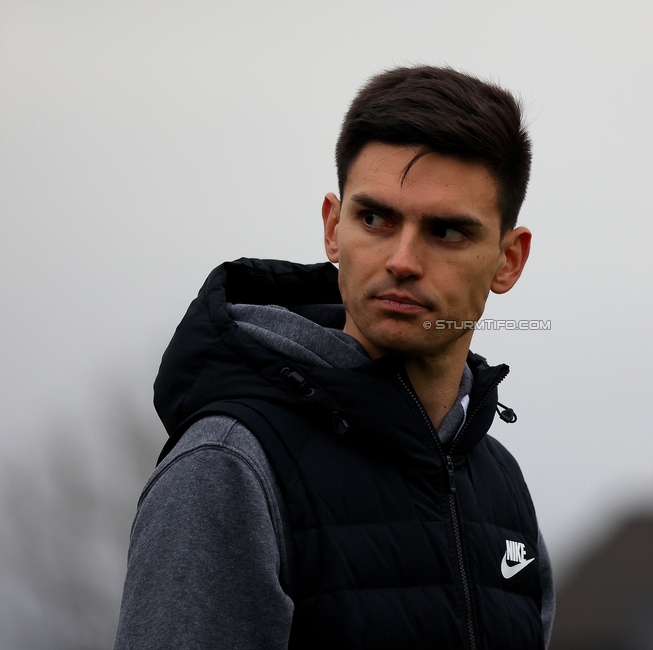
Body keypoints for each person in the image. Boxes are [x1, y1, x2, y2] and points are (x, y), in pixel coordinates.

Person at [114, 66, 554, 649]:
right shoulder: (230, 465)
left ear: (509, 261)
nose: (401, 259)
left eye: (446, 232)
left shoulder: (501, 485)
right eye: (374, 218)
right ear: (332, 227)